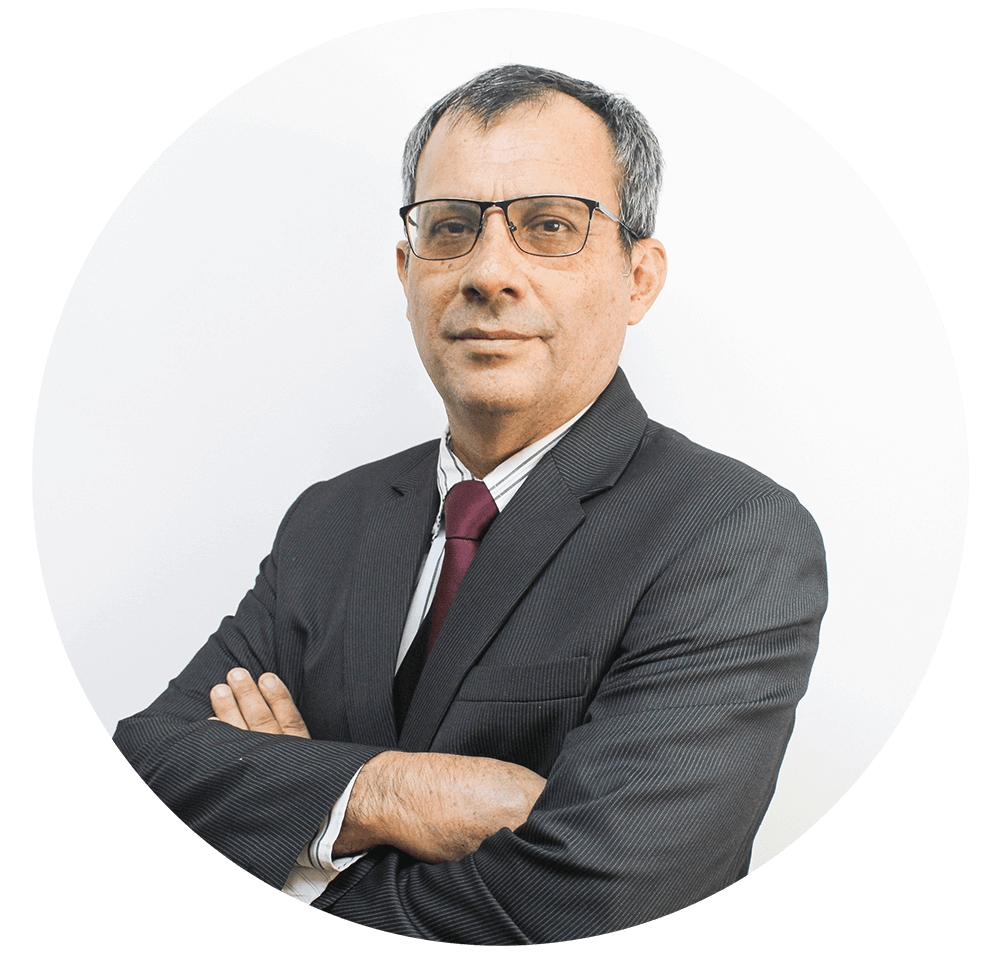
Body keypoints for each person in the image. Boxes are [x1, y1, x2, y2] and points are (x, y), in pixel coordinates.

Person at [113, 64, 827, 944]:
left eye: (551, 225)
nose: (490, 272)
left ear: (639, 278)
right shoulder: (328, 520)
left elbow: (591, 904)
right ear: (407, 269)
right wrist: (394, 792)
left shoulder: (730, 537)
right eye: (451, 228)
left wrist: (293, 823)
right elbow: (152, 756)